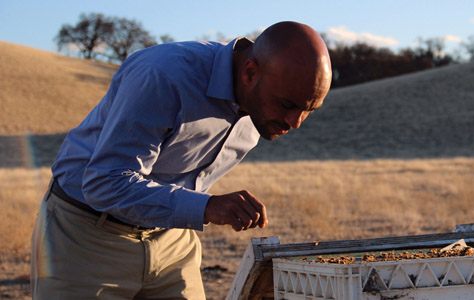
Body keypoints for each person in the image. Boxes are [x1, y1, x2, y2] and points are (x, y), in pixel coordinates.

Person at [30, 21, 332, 299]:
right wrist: (208, 206)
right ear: (250, 72)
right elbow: (103, 183)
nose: (296, 122)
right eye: (288, 105)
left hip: (172, 239)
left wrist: (196, 208)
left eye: (310, 110)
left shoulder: (264, 104)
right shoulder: (163, 75)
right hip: (85, 236)